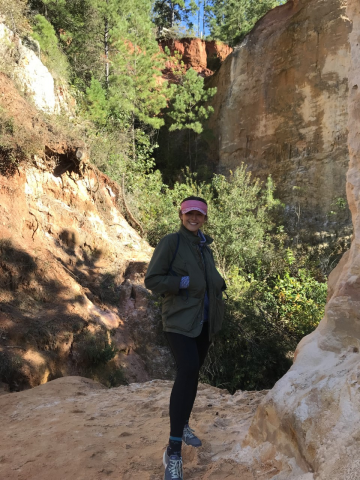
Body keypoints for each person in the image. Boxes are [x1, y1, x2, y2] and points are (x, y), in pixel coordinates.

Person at [145, 196, 226, 480]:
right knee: (188, 369)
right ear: (181, 214)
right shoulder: (172, 242)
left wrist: (219, 285)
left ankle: (183, 423)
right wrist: (182, 283)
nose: (194, 218)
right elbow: (152, 280)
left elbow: (210, 280)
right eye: (189, 213)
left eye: (199, 214)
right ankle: (174, 451)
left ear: (204, 218)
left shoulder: (205, 247)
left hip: (202, 322)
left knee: (192, 375)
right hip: (178, 321)